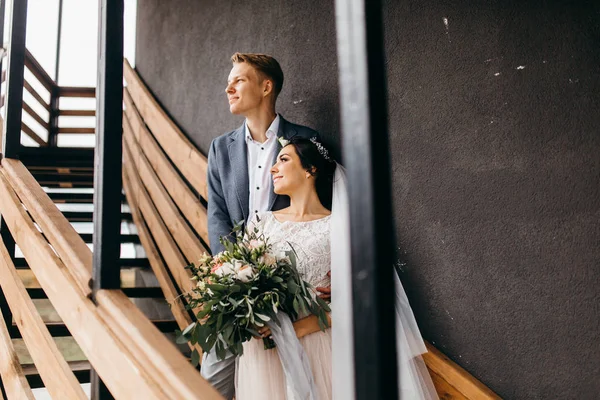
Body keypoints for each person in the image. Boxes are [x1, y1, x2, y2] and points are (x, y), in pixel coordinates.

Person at [235, 137, 438, 400]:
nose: (273, 168)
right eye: (274, 162)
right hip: (267, 351)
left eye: (283, 160)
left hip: (321, 348)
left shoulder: (339, 227)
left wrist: (304, 326)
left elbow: (368, 299)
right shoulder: (260, 224)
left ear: (310, 169)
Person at [204, 52, 326, 399]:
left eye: (238, 79)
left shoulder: (305, 140)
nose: (229, 87)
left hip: (291, 287)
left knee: (282, 384)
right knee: (210, 382)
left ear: (266, 86)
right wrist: (230, 272)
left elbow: (322, 209)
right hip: (235, 286)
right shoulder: (220, 148)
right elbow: (217, 215)